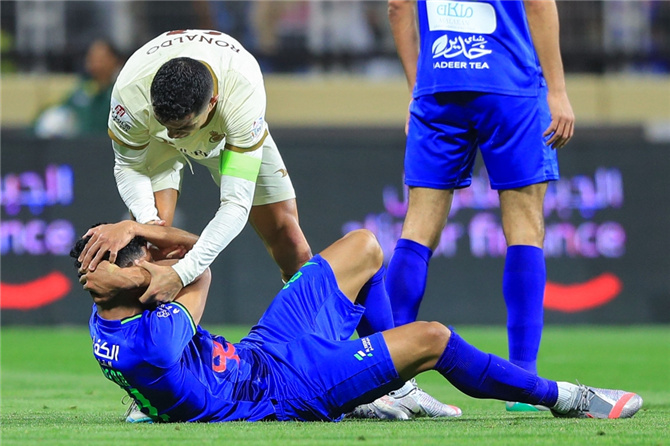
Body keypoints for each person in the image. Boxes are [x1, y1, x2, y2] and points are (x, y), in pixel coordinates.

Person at [73, 221, 642, 423]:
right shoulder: (156, 338)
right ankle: (565, 397)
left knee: (365, 247)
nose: (158, 258)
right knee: (434, 337)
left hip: (260, 353)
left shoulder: (116, 320)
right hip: (287, 391)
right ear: (135, 280)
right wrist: (154, 262)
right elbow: (199, 270)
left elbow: (191, 260)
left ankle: (401, 391)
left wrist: (132, 239)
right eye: (146, 257)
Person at [385, 0, 576, 411]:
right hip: (509, 85)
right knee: (525, 225)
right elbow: (539, 3)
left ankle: (386, 379)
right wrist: (558, 91)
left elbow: (398, 6)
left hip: (439, 87)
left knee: (416, 228)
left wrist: (417, 87)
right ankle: (523, 382)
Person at [76, 29, 313, 305]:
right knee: (152, 248)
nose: (176, 135)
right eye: (167, 124)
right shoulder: (131, 93)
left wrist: (182, 273)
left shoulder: (241, 96)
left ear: (212, 102)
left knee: (293, 245)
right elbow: (129, 165)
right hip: (156, 141)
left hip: (227, 139)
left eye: (184, 127)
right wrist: (148, 222)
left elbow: (236, 204)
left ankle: (308, 334)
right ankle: (151, 341)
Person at [34, 39, 124, 138]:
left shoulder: (121, 92)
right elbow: (64, 110)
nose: (96, 64)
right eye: (92, 59)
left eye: (101, 59)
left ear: (115, 60)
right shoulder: (82, 90)